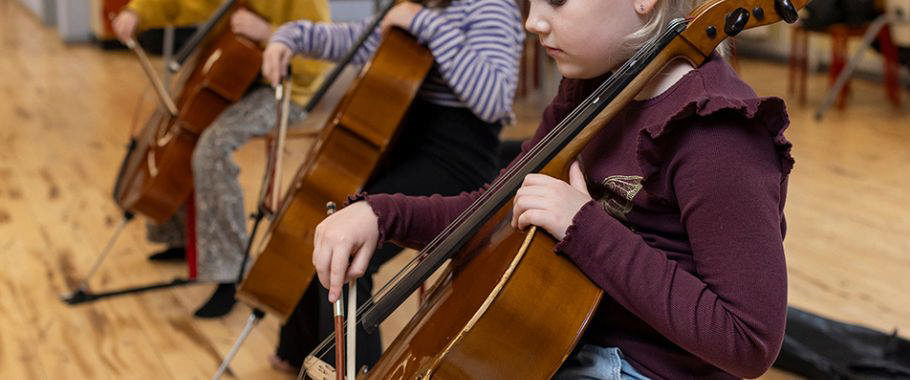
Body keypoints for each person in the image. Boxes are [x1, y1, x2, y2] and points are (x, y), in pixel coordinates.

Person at [312, 0, 794, 378]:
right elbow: (497, 208)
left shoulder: (717, 133)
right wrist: (379, 215)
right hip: (556, 345)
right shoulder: (590, 89)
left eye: (557, 1)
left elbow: (749, 341)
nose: (531, 22)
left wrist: (583, 226)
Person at [261, 0, 524, 372]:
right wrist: (289, 37)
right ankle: (304, 349)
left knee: (350, 250)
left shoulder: (489, 7)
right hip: (406, 149)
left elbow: (493, 99)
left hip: (455, 165)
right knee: (328, 217)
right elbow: (356, 38)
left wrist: (423, 22)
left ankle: (361, 373)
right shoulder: (424, 7)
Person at [111, 0, 332, 318]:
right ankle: (179, 235)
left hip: (284, 88)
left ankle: (232, 270)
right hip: (231, 71)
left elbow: (320, 59)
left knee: (213, 146)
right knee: (191, 121)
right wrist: (138, 12)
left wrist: (270, 34)